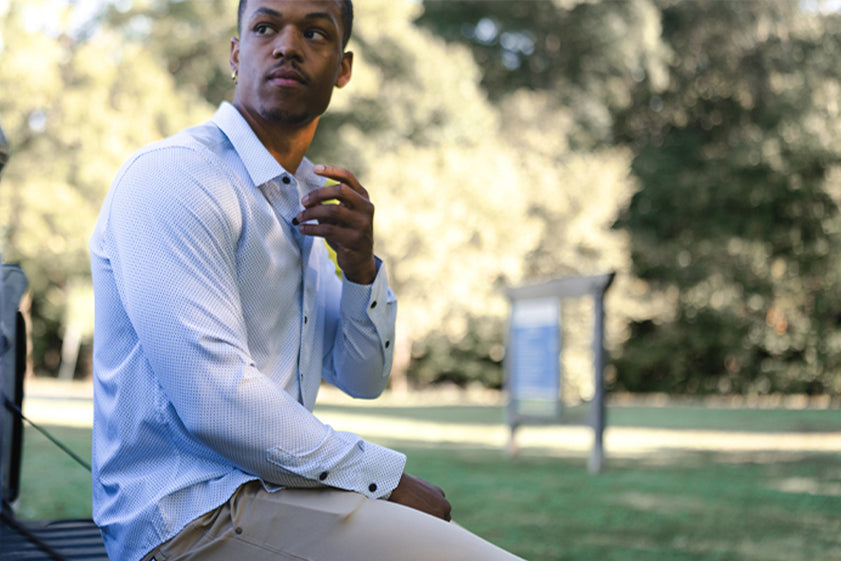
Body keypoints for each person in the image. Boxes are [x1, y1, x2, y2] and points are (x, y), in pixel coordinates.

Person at [89, 1, 527, 559]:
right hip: (191, 519)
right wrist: (385, 479)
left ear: (343, 69)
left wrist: (361, 267)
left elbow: (361, 376)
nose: (288, 45)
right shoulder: (175, 178)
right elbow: (216, 400)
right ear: (235, 52)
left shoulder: (304, 198)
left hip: (279, 497)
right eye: (266, 27)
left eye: (315, 33)